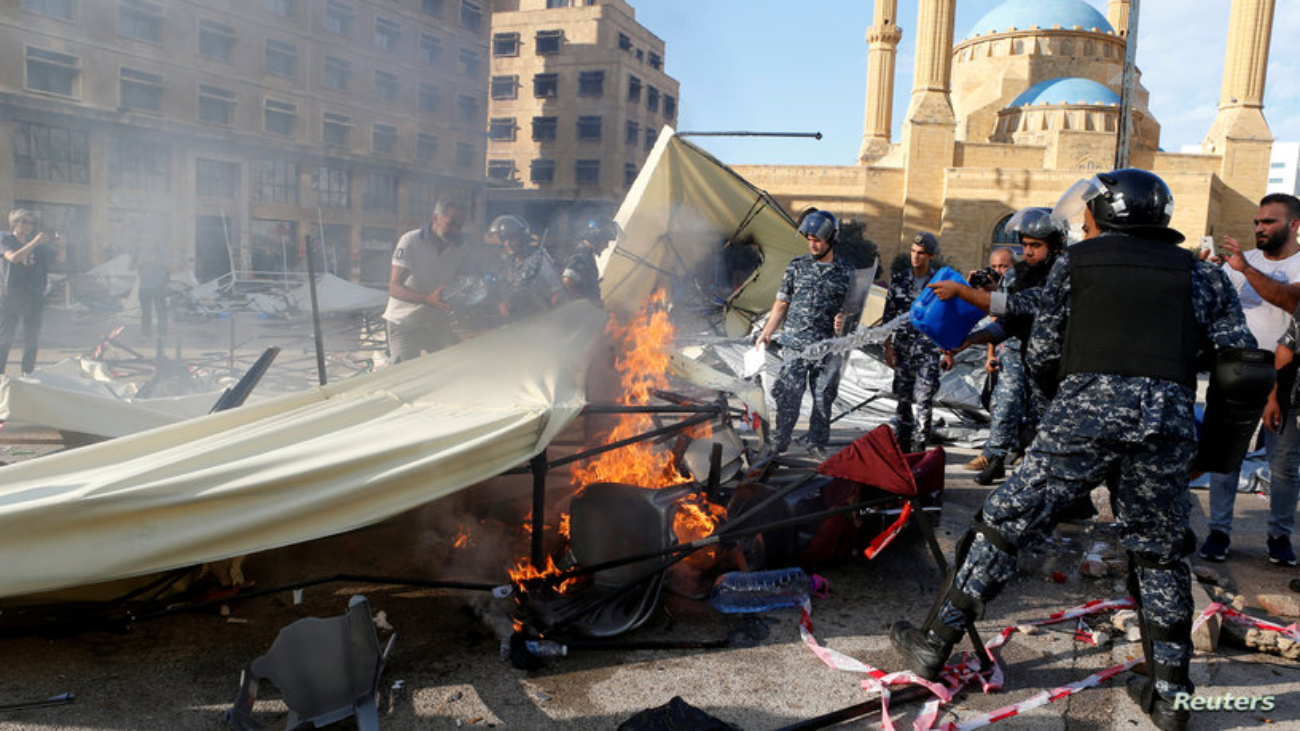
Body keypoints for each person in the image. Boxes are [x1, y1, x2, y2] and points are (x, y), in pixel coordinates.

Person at [889, 169, 1255, 731]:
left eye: (1088, 215)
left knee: (1003, 524)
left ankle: (932, 644)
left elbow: (1044, 352)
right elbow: (1241, 365)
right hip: (1164, 427)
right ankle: (1169, 695)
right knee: (1158, 552)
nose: (1081, 224)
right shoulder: (1202, 275)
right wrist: (1217, 448)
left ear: (1107, 215)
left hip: (1080, 420)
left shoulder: (1075, 265)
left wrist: (1072, 405)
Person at [1201, 193, 1300, 566]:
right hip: (1235, 372)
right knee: (1226, 456)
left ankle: (1278, 535)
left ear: (1294, 225)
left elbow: (1292, 301)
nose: (1259, 228)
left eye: (1269, 222)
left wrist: (1246, 270)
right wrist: (1206, 272)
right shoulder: (1242, 263)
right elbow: (1218, 307)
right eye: (1257, 222)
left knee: (1284, 463)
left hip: (1285, 376)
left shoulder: (1276, 265)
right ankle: (1219, 530)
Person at [934, 210, 1067, 485]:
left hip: (1056, 372)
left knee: (1053, 436)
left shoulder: (1062, 278)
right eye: (1025, 245)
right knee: (1005, 405)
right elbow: (1008, 324)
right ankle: (998, 460)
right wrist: (969, 341)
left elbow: (1016, 305)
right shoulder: (1020, 276)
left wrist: (963, 292)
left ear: (1054, 247)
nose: (1028, 252)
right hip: (1022, 358)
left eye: (1036, 246)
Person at [756, 210, 856, 460]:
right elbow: (781, 303)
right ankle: (779, 443)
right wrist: (766, 332)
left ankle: (817, 445)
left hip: (827, 347)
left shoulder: (846, 271)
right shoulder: (797, 266)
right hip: (795, 345)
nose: (812, 244)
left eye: (817, 240)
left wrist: (845, 321)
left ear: (831, 239)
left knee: (823, 398)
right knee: (788, 395)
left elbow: (854, 311)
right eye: (809, 239)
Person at [382, 199, 467, 363]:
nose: (456, 230)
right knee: (404, 376)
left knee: (452, 368)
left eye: (460, 226)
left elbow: (459, 281)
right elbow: (394, 287)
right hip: (404, 323)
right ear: (436, 218)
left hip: (436, 322)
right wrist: (427, 300)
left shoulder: (460, 248)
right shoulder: (411, 241)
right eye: (451, 224)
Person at [882, 232, 942, 453]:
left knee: (924, 398)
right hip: (903, 349)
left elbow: (946, 319)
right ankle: (903, 444)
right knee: (903, 398)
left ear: (931, 256)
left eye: (921, 253)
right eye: (913, 252)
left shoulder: (938, 284)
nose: (916, 257)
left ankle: (920, 443)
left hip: (928, 350)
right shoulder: (899, 280)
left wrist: (949, 351)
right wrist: (887, 347)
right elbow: (888, 317)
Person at [0, 209, 59, 375]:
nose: (28, 226)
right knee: (6, 336)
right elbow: (13, 258)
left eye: (31, 223)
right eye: (24, 222)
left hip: (33, 295)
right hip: (11, 293)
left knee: (31, 337)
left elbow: (57, 260)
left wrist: (58, 241)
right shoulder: (5, 239)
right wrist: (34, 242)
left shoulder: (38, 245)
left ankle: (27, 372)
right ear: (15, 223)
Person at [491, 215, 562, 321]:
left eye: (512, 238)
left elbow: (557, 292)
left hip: (538, 322)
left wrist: (549, 320)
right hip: (517, 322)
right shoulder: (511, 263)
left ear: (522, 237)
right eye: (505, 239)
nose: (508, 243)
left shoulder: (537, 259)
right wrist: (503, 303)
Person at [563, 216, 619, 306]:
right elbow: (567, 281)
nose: (607, 246)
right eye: (606, 241)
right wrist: (585, 303)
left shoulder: (587, 255)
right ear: (597, 237)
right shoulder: (582, 256)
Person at [136, 240, 171, 339]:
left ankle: (162, 333)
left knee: (161, 310)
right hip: (144, 286)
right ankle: (146, 333)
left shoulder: (161, 251)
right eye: (144, 240)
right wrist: (142, 261)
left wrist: (154, 260)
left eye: (149, 240)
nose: (146, 243)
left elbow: (169, 265)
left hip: (159, 285)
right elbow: (132, 266)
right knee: (145, 311)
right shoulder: (139, 251)